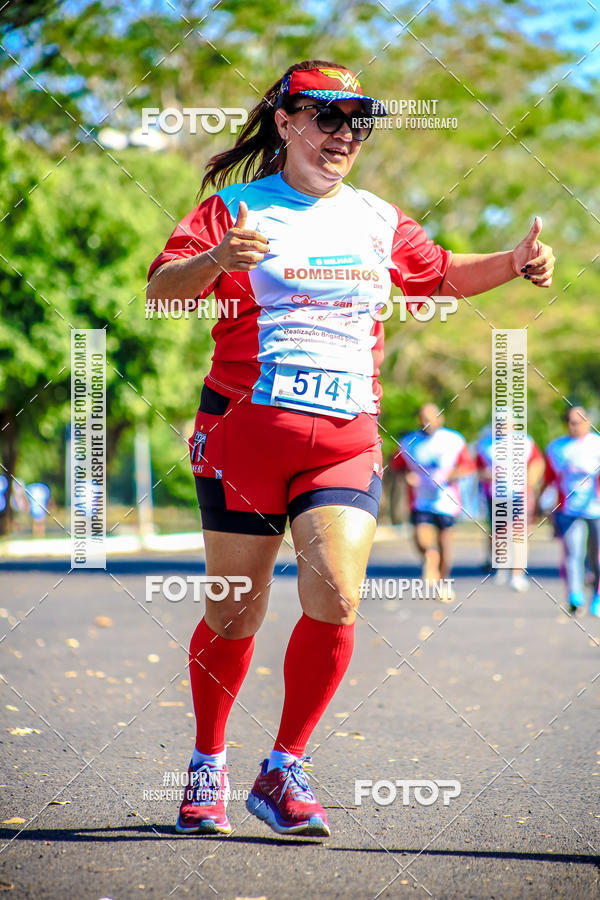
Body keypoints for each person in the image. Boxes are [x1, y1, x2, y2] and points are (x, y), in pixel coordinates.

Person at [146, 59, 555, 838]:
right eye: (327, 117)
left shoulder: (377, 217)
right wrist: (216, 261)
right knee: (235, 613)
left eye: (358, 121)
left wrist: (513, 262)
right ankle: (207, 765)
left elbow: (437, 277)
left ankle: (284, 768)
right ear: (287, 121)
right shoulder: (233, 210)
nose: (344, 135)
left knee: (337, 592)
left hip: (344, 442)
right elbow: (160, 289)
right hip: (243, 438)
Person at [390, 405, 475, 600]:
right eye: (422, 419)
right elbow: (396, 466)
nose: (426, 423)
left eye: (430, 418)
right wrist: (408, 476)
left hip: (447, 501)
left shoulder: (453, 440)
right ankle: (429, 555)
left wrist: (450, 476)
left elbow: (468, 467)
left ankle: (443, 582)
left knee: (445, 543)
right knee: (421, 539)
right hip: (421, 500)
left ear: (440, 419)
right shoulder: (408, 442)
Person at [541, 407, 600, 615]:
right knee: (573, 552)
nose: (576, 426)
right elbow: (548, 478)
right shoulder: (557, 447)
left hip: (596, 508)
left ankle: (598, 596)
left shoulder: (597, 444)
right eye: (571, 422)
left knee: (597, 557)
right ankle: (575, 595)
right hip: (567, 509)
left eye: (580, 421)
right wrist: (543, 505)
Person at [476, 423, 544, 591]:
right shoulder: (485, 444)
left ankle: (518, 574)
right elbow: (476, 470)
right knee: (498, 533)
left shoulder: (525, 442)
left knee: (519, 534)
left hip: (519, 495)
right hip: (495, 496)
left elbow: (538, 463)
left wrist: (529, 482)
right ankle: (501, 568)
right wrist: (488, 474)